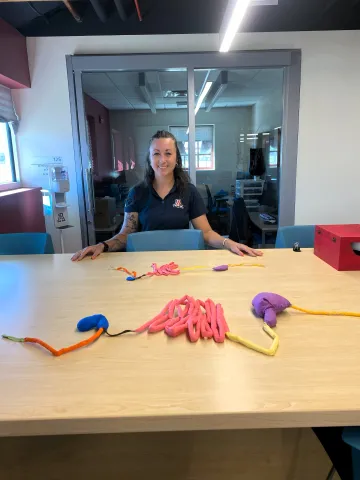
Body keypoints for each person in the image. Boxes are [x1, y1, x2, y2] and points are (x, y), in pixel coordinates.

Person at [71, 130, 263, 261]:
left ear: (176, 158)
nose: (162, 160)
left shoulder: (189, 191)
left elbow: (205, 233)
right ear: (149, 158)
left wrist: (229, 243)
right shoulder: (136, 193)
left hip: (180, 264)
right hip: (145, 266)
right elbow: (126, 234)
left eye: (168, 153)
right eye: (156, 154)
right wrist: (102, 245)